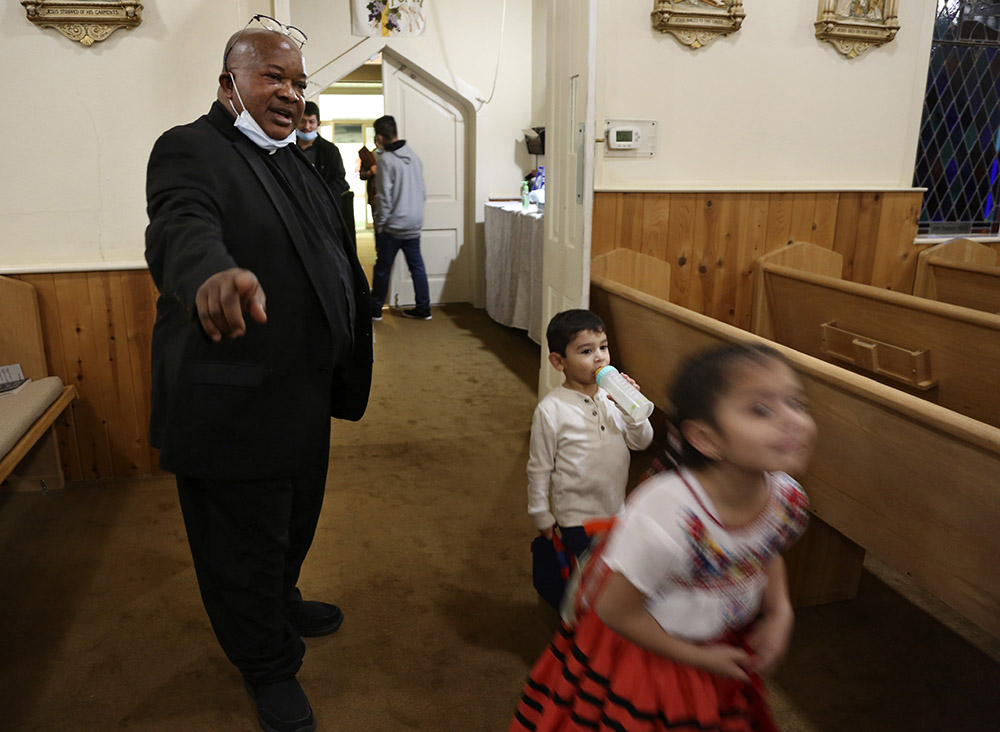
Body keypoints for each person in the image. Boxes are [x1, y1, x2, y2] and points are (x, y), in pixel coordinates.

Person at [145, 20, 373, 732]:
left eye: (299, 81)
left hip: (300, 396)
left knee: (291, 523)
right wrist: (210, 274)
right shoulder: (191, 149)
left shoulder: (295, 158)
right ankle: (265, 665)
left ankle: (280, 602)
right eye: (273, 76)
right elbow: (181, 227)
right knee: (240, 547)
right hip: (233, 403)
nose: (289, 92)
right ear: (229, 83)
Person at [510, 342, 816, 732]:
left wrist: (780, 610)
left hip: (716, 637)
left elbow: (764, 549)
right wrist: (698, 658)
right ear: (706, 438)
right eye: (761, 409)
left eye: (797, 403)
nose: (793, 420)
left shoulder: (785, 495)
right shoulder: (665, 516)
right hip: (650, 651)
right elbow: (615, 610)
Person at [527, 310, 654, 560]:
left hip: (616, 509)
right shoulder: (551, 409)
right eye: (586, 351)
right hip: (576, 517)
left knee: (611, 569)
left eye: (603, 348)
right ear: (558, 361)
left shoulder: (613, 400)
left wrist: (629, 409)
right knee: (586, 574)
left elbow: (642, 442)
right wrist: (541, 513)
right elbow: (539, 467)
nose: (600, 358)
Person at [369, 114, 431, 321]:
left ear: (379, 137)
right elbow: (422, 191)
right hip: (414, 222)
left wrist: (379, 224)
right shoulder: (414, 157)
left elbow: (384, 196)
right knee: (417, 267)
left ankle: (375, 309)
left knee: (382, 267)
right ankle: (424, 308)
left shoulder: (385, 159)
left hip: (394, 225)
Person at [357, 143, 378, 222]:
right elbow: (362, 175)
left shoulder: (389, 156)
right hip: (374, 193)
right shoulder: (369, 157)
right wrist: (370, 172)